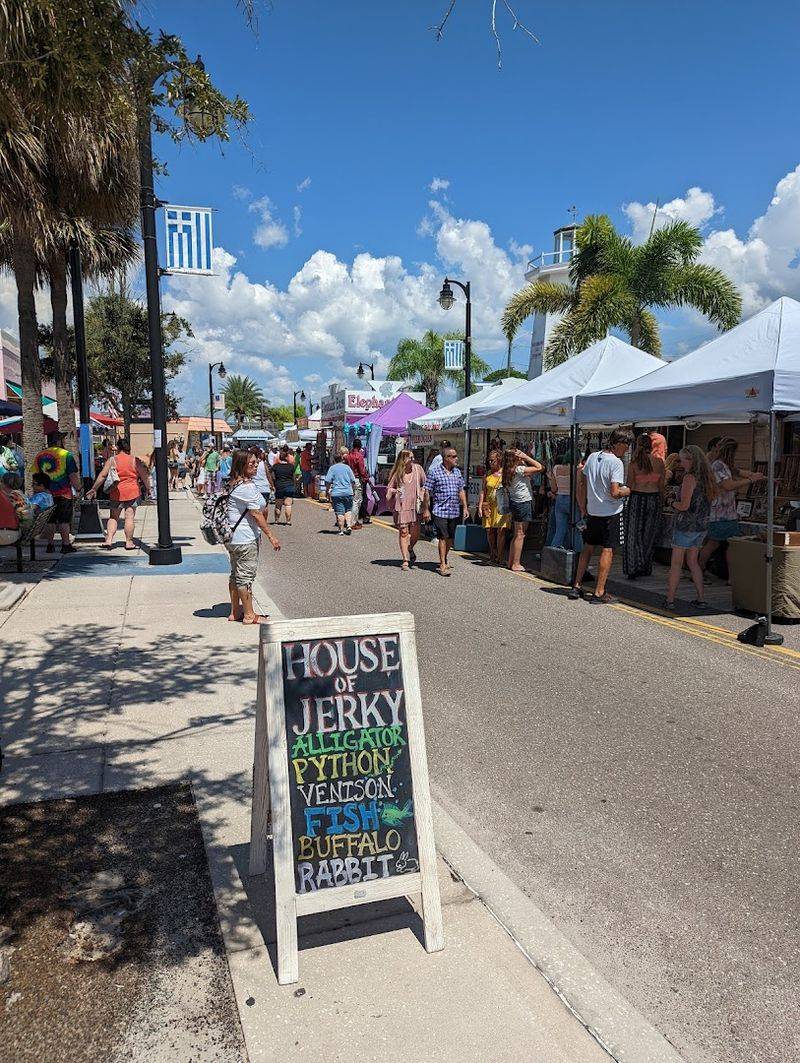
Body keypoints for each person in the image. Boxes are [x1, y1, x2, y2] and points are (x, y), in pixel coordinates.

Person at [568, 429, 633, 604]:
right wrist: (626, 490)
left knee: (588, 548)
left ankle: (576, 586)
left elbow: (581, 482)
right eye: (626, 447)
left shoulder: (592, 457)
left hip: (593, 510)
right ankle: (599, 591)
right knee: (607, 549)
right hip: (610, 513)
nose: (626, 451)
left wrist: (583, 506)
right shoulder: (616, 462)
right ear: (620, 444)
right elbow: (614, 492)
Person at [225, 449, 281, 624]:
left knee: (235, 574)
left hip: (233, 537)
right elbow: (256, 514)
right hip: (245, 538)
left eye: (256, 462)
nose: (256, 465)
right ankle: (249, 615)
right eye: (252, 463)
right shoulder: (246, 488)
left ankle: (235, 611)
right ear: (242, 465)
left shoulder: (234, 483)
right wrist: (271, 536)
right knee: (245, 577)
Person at [699, 437, 766, 572]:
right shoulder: (718, 465)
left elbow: (742, 473)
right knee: (712, 544)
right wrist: (750, 480)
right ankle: (699, 570)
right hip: (719, 515)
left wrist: (764, 477)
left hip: (728, 514)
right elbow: (728, 485)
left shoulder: (726, 465)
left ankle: (730, 576)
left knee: (730, 544)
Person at [665, 446, 716, 610]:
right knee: (693, 563)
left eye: (682, 460)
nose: (680, 463)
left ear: (690, 460)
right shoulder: (707, 477)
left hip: (686, 525)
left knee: (676, 564)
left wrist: (671, 502)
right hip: (701, 525)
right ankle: (701, 598)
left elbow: (684, 505)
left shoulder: (689, 478)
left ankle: (670, 600)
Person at [86, 438, 149, 550]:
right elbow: (144, 475)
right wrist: (148, 488)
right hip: (132, 492)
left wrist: (94, 488)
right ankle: (129, 542)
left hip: (116, 492)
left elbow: (102, 476)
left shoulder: (112, 460)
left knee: (113, 517)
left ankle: (109, 539)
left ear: (118, 448)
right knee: (129, 517)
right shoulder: (135, 460)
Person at [623, 433, 665, 579]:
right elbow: (661, 485)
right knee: (649, 535)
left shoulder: (634, 463)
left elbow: (630, 485)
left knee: (633, 535)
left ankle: (633, 567)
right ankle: (645, 566)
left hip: (637, 498)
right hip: (653, 498)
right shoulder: (659, 462)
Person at [422, 446, 468, 577]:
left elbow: (461, 490)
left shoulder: (457, 472)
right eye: (453, 456)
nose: (456, 458)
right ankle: (442, 563)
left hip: (454, 511)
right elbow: (427, 491)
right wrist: (426, 509)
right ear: (446, 458)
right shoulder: (434, 472)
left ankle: (445, 557)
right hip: (440, 510)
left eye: (456, 456)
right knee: (442, 536)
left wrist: (464, 506)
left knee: (450, 538)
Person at [32, 430, 81, 554]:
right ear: (59, 441)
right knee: (64, 520)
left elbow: (36, 475)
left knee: (50, 520)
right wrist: (78, 488)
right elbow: (72, 475)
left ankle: (50, 544)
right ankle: (65, 544)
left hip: (47, 494)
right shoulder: (66, 455)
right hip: (64, 493)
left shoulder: (40, 455)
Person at [501, 448, 543, 573]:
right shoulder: (519, 470)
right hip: (523, 502)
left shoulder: (508, 470)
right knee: (521, 534)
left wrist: (522, 460)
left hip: (515, 502)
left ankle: (511, 561)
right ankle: (516, 563)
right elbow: (539, 467)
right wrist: (527, 457)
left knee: (516, 534)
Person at [386, 449, 426, 570]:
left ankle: (409, 548)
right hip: (402, 505)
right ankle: (405, 560)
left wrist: (423, 494)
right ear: (404, 459)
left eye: (413, 458)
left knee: (415, 532)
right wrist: (394, 491)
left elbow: (425, 484)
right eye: (410, 458)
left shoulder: (418, 469)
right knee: (403, 532)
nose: (413, 460)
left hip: (415, 505)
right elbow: (389, 488)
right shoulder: (398, 472)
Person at [545, 450, 583, 553]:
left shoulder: (556, 468)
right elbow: (577, 490)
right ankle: (578, 559)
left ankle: (553, 556)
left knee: (559, 530)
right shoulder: (578, 470)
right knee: (577, 530)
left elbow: (553, 489)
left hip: (560, 499)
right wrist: (582, 508)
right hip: (573, 500)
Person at [477, 449, 511, 564]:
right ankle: (492, 553)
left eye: (493, 461)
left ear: (499, 460)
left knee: (501, 530)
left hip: (502, 504)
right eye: (489, 461)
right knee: (489, 530)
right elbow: (483, 491)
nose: (490, 463)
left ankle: (500, 557)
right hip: (489, 505)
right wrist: (480, 505)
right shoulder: (487, 474)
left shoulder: (505, 473)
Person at [325, 447, 357, 535]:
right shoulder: (347, 468)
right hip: (348, 492)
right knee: (348, 510)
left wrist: (328, 490)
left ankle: (341, 530)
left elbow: (327, 481)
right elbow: (353, 481)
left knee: (340, 512)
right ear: (342, 458)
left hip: (337, 493)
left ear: (334, 460)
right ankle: (349, 525)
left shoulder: (332, 468)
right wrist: (353, 490)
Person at [272, 445, 298, 525]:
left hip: (279, 486)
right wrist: (294, 484)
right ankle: (288, 521)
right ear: (287, 458)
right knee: (288, 505)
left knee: (278, 505)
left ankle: (276, 520)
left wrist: (274, 484)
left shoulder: (275, 466)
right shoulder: (291, 467)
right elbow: (294, 477)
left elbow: (273, 477)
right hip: (289, 485)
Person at [347, 437, 369, 527]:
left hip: (349, 479)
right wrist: (365, 477)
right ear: (359, 446)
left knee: (351, 500)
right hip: (357, 479)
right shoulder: (359, 456)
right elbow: (362, 470)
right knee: (357, 501)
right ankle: (353, 522)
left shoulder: (349, 455)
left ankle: (350, 520)